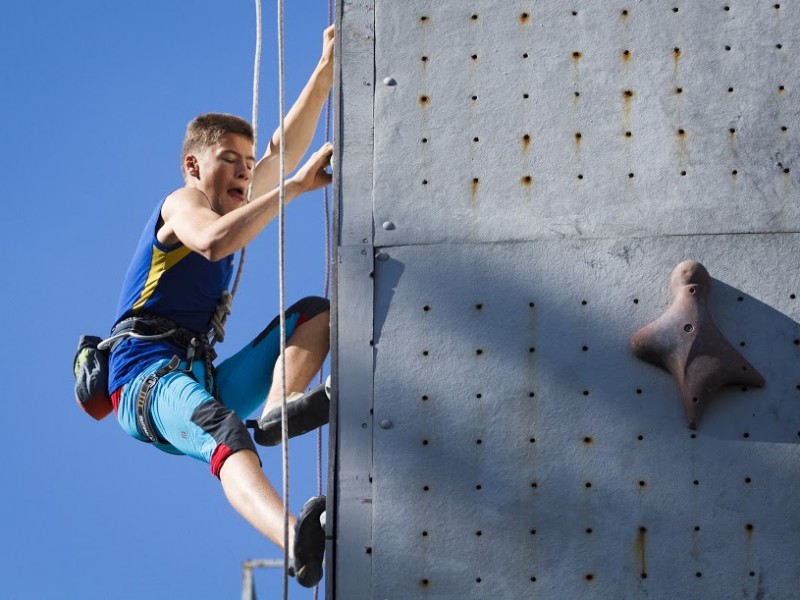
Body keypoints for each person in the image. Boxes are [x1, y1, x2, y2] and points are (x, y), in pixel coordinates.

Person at [105, 25, 335, 589]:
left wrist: (328, 64)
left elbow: (284, 151)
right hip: (146, 381)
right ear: (192, 166)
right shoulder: (183, 203)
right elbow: (211, 242)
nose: (242, 171)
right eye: (228, 160)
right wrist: (292, 191)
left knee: (315, 316)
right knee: (222, 430)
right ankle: (294, 541)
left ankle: (281, 404)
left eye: (246, 162)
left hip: (199, 373)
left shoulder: (238, 198)